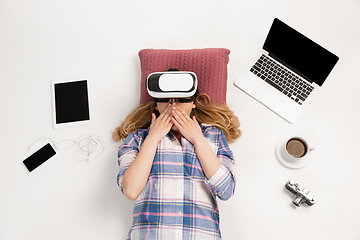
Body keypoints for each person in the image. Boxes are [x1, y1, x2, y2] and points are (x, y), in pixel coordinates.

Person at [113, 91, 241, 240]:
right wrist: (153, 138)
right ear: (156, 104)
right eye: (165, 99)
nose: (173, 106)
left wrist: (198, 139)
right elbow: (130, 190)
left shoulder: (214, 136)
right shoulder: (138, 139)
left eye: (181, 99)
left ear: (193, 103)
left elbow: (227, 190)